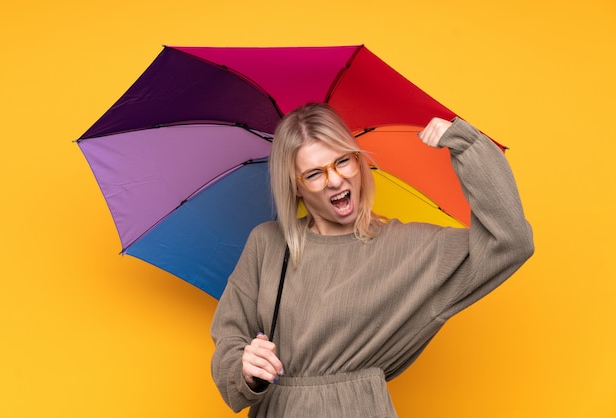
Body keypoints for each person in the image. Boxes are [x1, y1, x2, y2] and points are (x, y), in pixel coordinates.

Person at [211, 103, 534, 417]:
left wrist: (468, 145)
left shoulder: (411, 248)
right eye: (314, 174)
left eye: (342, 161)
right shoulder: (267, 243)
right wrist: (246, 365)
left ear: (359, 161)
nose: (335, 180)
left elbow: (510, 241)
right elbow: (230, 337)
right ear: (295, 187)